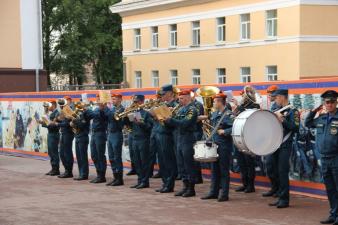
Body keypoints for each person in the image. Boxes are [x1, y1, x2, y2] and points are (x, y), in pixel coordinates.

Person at [305, 90, 338, 224]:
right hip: (324, 159)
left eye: (332, 102)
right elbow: (307, 123)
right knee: (330, 189)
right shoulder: (322, 118)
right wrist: (314, 111)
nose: (329, 104)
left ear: (336, 102)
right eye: (327, 102)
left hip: (336, 158)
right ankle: (333, 214)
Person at [268, 89, 299, 208]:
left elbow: (295, 128)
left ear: (282, 97)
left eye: (276, 97)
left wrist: (283, 120)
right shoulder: (276, 110)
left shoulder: (293, 111)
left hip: (285, 145)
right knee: (275, 170)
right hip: (275, 145)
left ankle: (284, 200)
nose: (275, 100)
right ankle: (280, 196)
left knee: (282, 172)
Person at [201, 92, 234, 202]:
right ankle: (213, 192)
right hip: (214, 145)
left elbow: (235, 128)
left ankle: (224, 194)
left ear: (220, 102)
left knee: (224, 170)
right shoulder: (214, 114)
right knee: (214, 170)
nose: (213, 103)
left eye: (215, 101)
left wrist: (225, 131)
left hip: (224, 146)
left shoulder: (229, 115)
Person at [165, 90, 198, 197]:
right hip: (179, 138)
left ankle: (191, 188)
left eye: (182, 98)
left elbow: (185, 123)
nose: (179, 100)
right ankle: (185, 186)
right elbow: (175, 124)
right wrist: (166, 120)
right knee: (181, 164)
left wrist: (171, 120)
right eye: (179, 98)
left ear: (188, 98)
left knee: (188, 164)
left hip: (188, 138)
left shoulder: (192, 109)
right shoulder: (180, 109)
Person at [233, 87, 260, 193]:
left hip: (249, 137)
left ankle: (251, 185)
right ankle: (244, 184)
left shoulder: (255, 105)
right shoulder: (241, 106)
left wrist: (240, 106)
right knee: (241, 162)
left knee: (249, 163)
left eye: (244, 95)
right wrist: (237, 107)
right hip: (239, 137)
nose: (243, 97)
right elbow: (234, 116)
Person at [153, 85, 178, 193]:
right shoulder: (162, 105)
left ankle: (169, 184)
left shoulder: (175, 105)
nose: (161, 96)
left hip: (168, 135)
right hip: (159, 134)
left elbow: (174, 122)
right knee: (162, 161)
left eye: (163, 94)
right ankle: (165, 183)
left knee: (169, 161)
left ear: (169, 93)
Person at [126, 95, 153, 189]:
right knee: (136, 161)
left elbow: (150, 127)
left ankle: (145, 181)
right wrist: (125, 118)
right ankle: (140, 180)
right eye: (134, 102)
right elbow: (129, 125)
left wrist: (141, 123)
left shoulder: (146, 113)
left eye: (137, 102)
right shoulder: (133, 112)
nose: (135, 103)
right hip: (134, 139)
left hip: (143, 139)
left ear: (142, 102)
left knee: (144, 161)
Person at [263, 85, 281, 197]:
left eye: (271, 94)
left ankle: (279, 189)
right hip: (270, 140)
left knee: (277, 167)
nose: (269, 96)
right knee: (269, 166)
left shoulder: (280, 106)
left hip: (278, 140)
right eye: (268, 94)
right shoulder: (272, 106)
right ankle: (274, 187)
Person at [86, 95, 109, 183]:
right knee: (94, 155)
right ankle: (98, 174)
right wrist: (85, 109)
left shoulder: (104, 109)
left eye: (99, 99)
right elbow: (89, 116)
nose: (98, 100)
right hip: (94, 133)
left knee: (100, 155)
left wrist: (101, 107)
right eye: (97, 99)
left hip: (100, 133)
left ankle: (102, 176)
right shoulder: (96, 109)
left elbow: (101, 116)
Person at [106, 93, 125, 186]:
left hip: (117, 134)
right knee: (111, 157)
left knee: (117, 157)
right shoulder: (112, 109)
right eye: (112, 99)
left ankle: (119, 178)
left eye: (115, 99)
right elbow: (106, 117)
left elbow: (118, 121)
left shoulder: (122, 109)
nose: (113, 101)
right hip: (110, 134)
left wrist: (109, 110)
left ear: (120, 99)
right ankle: (115, 177)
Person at [39, 100, 60, 176]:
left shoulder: (57, 113)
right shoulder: (53, 113)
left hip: (54, 134)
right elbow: (50, 124)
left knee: (54, 152)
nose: (48, 107)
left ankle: (56, 169)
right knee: (51, 152)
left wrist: (45, 123)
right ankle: (53, 168)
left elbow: (54, 125)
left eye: (49, 105)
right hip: (50, 133)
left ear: (53, 105)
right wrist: (43, 123)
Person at [55, 97, 75, 178]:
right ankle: (66, 169)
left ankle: (69, 171)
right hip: (63, 133)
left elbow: (68, 123)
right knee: (62, 153)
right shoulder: (64, 110)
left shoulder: (70, 110)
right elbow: (61, 119)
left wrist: (58, 124)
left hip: (68, 133)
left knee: (67, 152)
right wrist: (58, 119)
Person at [72, 102, 91, 180]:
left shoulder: (85, 115)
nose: (79, 108)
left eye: (81, 106)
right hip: (78, 136)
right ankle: (81, 173)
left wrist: (74, 121)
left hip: (83, 136)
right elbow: (77, 125)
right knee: (79, 156)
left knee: (83, 156)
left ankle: (84, 174)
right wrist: (72, 123)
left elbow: (82, 125)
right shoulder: (80, 115)